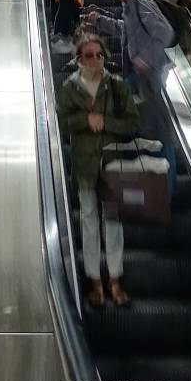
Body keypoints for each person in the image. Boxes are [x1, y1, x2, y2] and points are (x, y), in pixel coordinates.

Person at [57, 34, 139, 307]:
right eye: (89, 55)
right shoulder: (69, 88)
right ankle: (95, 281)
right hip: (84, 166)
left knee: (114, 224)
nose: (95, 60)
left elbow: (132, 122)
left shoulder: (116, 86)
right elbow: (61, 122)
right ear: (79, 59)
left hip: (112, 164)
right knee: (89, 222)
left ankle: (115, 279)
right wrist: (85, 119)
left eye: (99, 55)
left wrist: (106, 122)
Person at [87, 0, 178, 192]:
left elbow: (165, 32)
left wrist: (145, 59)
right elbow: (124, 30)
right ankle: (128, 179)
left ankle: (168, 186)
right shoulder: (128, 4)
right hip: (135, 75)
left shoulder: (140, 1)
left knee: (158, 128)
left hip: (149, 75)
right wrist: (100, 20)